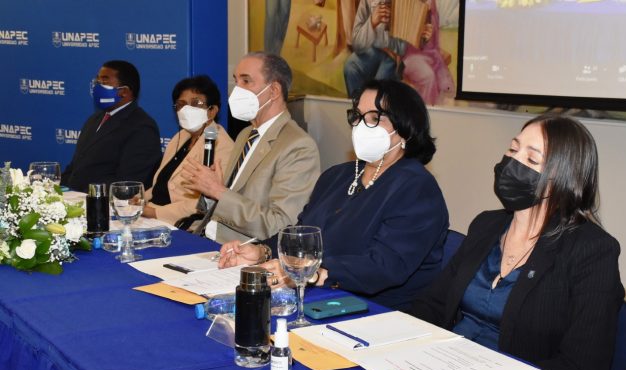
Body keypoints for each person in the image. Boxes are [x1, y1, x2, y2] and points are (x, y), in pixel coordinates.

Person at [409, 115, 624, 370]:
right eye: (512, 149)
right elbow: (433, 305)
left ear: (563, 178)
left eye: (531, 159)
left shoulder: (592, 250)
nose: (512, 162)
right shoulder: (486, 225)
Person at [220, 79, 449, 311]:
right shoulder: (337, 176)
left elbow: (384, 267)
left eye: (374, 118)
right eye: (358, 117)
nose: (361, 126)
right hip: (320, 296)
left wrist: (311, 271)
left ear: (405, 129)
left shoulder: (417, 189)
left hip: (379, 311)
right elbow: (302, 233)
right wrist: (262, 251)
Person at [182, 52, 320, 243]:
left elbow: (280, 225)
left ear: (274, 91)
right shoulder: (245, 134)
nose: (237, 90)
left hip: (239, 249)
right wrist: (210, 192)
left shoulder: (298, 146)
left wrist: (219, 191)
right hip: (204, 236)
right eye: (236, 81)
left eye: (246, 81)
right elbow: (226, 202)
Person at [141, 76, 234, 225]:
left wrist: (153, 212)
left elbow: (206, 202)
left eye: (196, 103)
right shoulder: (181, 136)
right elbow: (161, 184)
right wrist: (139, 200)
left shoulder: (222, 146)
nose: (186, 109)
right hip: (150, 214)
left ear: (212, 111)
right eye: (181, 104)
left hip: (180, 223)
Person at [61, 60, 161, 192]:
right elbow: (75, 167)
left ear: (124, 91)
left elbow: (128, 183)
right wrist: (58, 190)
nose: (97, 87)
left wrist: (88, 194)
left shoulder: (142, 127)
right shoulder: (95, 119)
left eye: (104, 82)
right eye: (97, 81)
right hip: (74, 197)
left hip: (102, 201)